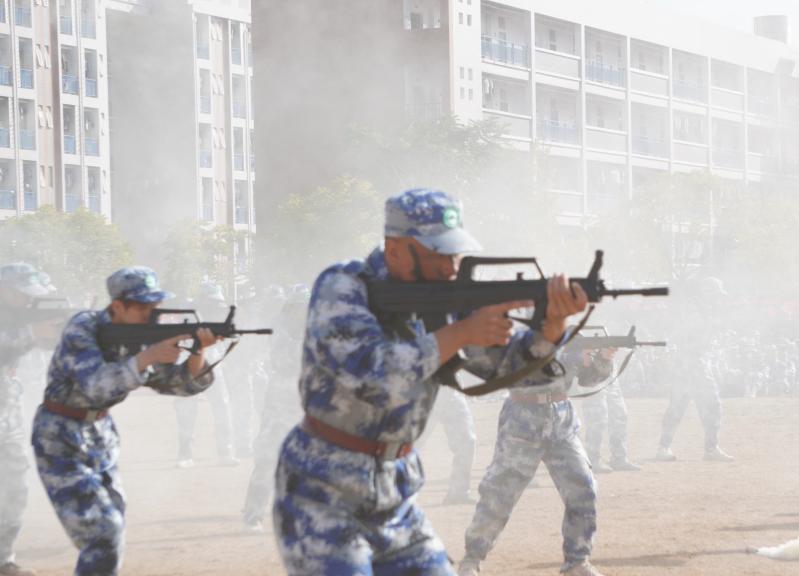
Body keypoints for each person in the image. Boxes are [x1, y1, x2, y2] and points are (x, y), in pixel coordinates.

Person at [272, 189, 588, 575]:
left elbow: (511, 369)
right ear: (397, 249)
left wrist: (553, 325)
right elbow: (371, 376)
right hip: (324, 491)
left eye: (455, 253)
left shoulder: (445, 300)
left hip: (395, 491)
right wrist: (460, 333)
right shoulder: (345, 286)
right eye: (439, 253)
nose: (451, 266)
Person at [31, 266, 220, 575]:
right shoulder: (84, 328)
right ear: (118, 306)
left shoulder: (143, 334)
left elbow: (176, 384)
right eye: (144, 308)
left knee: (112, 525)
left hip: (101, 435)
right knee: (104, 531)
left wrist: (197, 352)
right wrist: (149, 356)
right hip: (59, 437)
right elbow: (95, 384)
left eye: (155, 307)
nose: (151, 315)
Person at [458, 346, 611, 576]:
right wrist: (569, 357)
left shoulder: (570, 338)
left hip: (561, 422)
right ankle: (472, 559)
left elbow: (588, 380)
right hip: (523, 420)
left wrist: (601, 361)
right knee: (499, 494)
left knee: (583, 488)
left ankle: (577, 562)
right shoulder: (521, 335)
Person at [0, 263, 59, 576]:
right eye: (22, 295)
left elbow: (47, 343)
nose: (27, 301)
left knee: (16, 487)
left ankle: (3, 559)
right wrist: (33, 332)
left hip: (8, 417)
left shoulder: (21, 319)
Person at [241, 284, 308, 531]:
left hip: (310, 400)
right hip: (282, 400)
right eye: (297, 307)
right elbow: (286, 359)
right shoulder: (282, 331)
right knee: (268, 458)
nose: (301, 313)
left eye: (305, 308)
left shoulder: (317, 330)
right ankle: (253, 514)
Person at [656, 277, 733, 462]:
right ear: (706, 294)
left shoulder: (704, 313)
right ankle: (669, 447)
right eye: (715, 295)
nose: (718, 299)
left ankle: (669, 447)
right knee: (689, 406)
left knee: (692, 406)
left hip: (694, 365)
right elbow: (680, 338)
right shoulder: (694, 314)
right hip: (690, 365)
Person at [174, 282, 237, 467]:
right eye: (211, 303)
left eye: (217, 304)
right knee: (186, 411)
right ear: (202, 301)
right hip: (189, 367)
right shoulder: (188, 317)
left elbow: (224, 343)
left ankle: (225, 452)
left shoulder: (219, 318)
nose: (216, 308)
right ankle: (185, 454)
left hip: (213, 367)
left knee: (222, 408)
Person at [579, 347, 641, 473]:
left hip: (611, 376)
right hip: (593, 375)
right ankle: (593, 460)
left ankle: (619, 458)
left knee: (620, 416)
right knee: (597, 419)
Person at [419, 386, 479, 504]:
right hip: (423, 391)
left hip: (451, 390)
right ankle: (392, 492)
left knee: (467, 441)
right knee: (409, 445)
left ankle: (458, 493)